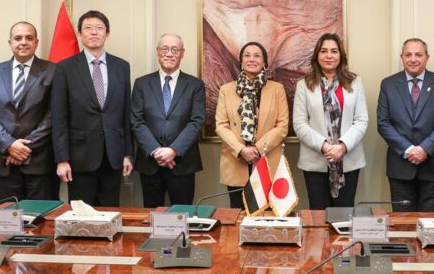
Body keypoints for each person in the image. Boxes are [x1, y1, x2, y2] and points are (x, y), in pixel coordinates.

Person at [51, 10, 133, 206]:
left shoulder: (122, 66)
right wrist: (62, 159)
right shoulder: (65, 68)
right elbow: (59, 117)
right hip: (79, 158)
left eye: (99, 28)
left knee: (110, 213)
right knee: (81, 216)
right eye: (88, 28)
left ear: (107, 34)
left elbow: (126, 113)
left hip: (113, 157)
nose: (94, 32)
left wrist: (128, 153)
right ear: (80, 34)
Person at [0, 21, 58, 201]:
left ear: (36, 42)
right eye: (18, 38)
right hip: (4, 162)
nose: (23, 42)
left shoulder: (53, 71)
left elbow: (54, 115)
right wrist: (10, 145)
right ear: (10, 43)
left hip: (40, 162)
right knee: (7, 215)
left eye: (29, 38)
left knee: (41, 216)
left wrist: (24, 148)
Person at [293, 33, 368, 209]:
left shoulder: (355, 82)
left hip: (348, 160)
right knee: (318, 212)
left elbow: (361, 120)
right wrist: (325, 147)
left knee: (344, 213)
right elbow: (299, 123)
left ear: (341, 55)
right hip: (315, 161)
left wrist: (342, 146)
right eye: (324, 51)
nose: (329, 56)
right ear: (317, 55)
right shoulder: (304, 84)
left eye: (334, 51)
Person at [131, 33, 205, 207]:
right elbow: (136, 121)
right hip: (151, 163)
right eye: (165, 49)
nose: (169, 54)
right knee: (152, 215)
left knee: (183, 215)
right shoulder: (142, 84)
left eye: (174, 49)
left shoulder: (195, 85)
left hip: (182, 163)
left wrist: (173, 150)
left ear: (182, 53)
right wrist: (156, 150)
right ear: (158, 51)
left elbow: (196, 121)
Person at [377, 38, 434, 212]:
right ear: (402, 57)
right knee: (403, 222)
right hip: (400, 166)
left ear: (427, 57)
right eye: (408, 55)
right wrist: (409, 150)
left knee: (432, 221)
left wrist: (425, 149)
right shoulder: (388, 84)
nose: (413, 59)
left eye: (418, 54)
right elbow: (383, 123)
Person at [215, 41, 288, 209]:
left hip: (266, 161)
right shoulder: (226, 90)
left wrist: (257, 149)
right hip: (236, 160)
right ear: (241, 61)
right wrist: (241, 150)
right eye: (247, 55)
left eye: (257, 56)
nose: (251, 59)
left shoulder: (277, 89)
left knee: (267, 216)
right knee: (238, 215)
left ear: (264, 62)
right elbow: (221, 125)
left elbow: (282, 125)